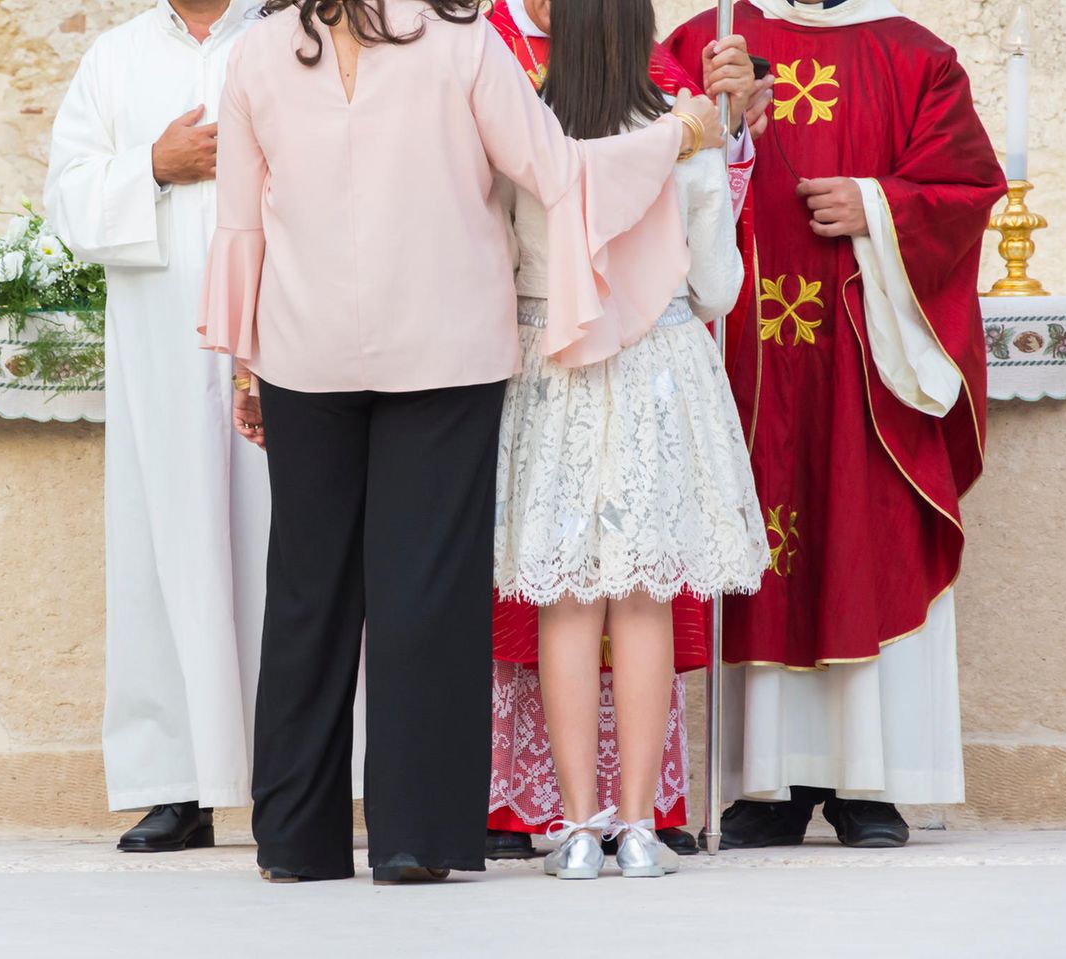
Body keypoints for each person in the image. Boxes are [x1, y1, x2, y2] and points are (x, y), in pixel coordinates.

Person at [200, 0, 721, 883]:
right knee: (425, 595)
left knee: (305, 593)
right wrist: (678, 133)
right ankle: (416, 838)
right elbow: (560, 174)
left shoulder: (254, 54)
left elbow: (243, 222)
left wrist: (245, 365)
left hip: (303, 345)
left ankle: (294, 838)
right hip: (445, 350)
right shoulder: (466, 45)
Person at [664, 0, 1006, 848]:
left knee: (860, 527)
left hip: (863, 357)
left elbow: (965, 188)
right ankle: (764, 785)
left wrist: (878, 205)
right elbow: (642, 165)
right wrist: (729, 124)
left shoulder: (916, 54)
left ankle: (867, 780)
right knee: (763, 539)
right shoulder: (712, 38)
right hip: (746, 348)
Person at [483, 0, 766, 863]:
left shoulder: (524, 136)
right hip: (658, 371)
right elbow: (717, 286)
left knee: (567, 601)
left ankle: (573, 829)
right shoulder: (684, 134)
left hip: (553, 364)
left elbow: (495, 262)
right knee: (643, 599)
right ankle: (638, 826)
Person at [44, 0, 319, 855]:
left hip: (284, 324)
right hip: (162, 342)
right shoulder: (115, 59)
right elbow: (65, 199)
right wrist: (152, 167)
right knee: (166, 544)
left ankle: (307, 778)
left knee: (292, 546)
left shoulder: (292, 37)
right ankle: (177, 783)